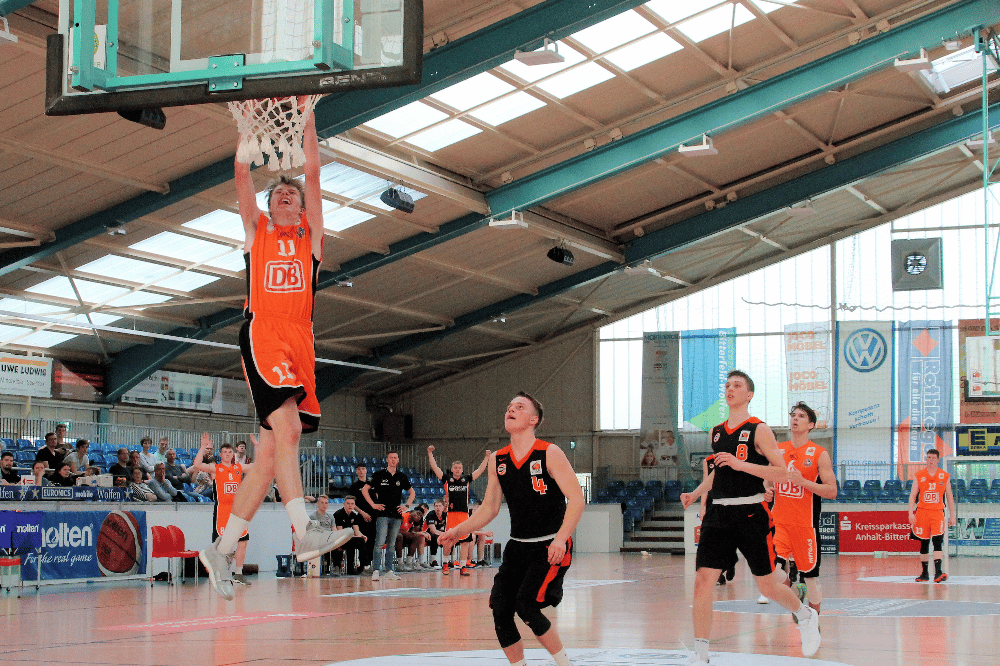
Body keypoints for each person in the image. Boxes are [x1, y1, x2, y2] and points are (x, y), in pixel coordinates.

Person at [199, 106, 353, 601]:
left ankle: (221, 550)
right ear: (270, 206)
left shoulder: (312, 238)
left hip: (301, 340)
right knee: (287, 429)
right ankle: (303, 527)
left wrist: (307, 118)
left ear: (303, 209)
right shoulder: (257, 232)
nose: (286, 195)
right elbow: (242, 176)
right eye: (278, 194)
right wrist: (244, 146)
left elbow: (312, 169)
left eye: (293, 195)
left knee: (267, 459)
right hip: (264, 332)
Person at [680, 370, 821, 665]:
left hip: (751, 511)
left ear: (749, 394)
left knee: (767, 584)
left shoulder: (760, 429)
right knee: (703, 580)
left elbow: (782, 471)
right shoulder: (716, 432)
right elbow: (721, 471)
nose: (731, 389)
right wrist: (695, 494)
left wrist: (741, 465)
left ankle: (804, 614)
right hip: (718, 512)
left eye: (737, 385)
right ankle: (701, 654)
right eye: (728, 385)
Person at [440, 392, 584, 666]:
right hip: (517, 546)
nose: (511, 410)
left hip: (549, 543)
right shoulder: (498, 459)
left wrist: (561, 540)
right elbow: (489, 508)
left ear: (534, 419)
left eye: (519, 407)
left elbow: (576, 499)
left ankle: (566, 664)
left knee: (526, 604)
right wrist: (459, 530)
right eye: (508, 407)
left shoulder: (549, 452)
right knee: (501, 608)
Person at [765, 402, 837, 613]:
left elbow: (832, 491)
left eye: (801, 416)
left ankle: (813, 619)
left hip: (805, 526)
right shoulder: (778, 451)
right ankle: (795, 595)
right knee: (770, 571)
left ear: (811, 424)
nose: (795, 419)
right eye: (793, 415)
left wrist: (803, 482)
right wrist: (767, 490)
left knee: (811, 579)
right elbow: (768, 480)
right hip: (779, 523)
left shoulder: (819, 453)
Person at [193, 436, 263, 586]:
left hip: (238, 511)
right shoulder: (216, 468)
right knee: (222, 545)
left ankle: (238, 574)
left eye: (229, 452)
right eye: (224, 452)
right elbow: (197, 464)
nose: (227, 454)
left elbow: (259, 465)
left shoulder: (238, 467)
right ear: (221, 454)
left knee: (243, 541)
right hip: (222, 511)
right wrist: (202, 447)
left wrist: (256, 445)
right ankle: (220, 573)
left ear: (233, 454)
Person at [427, 444, 490, 575]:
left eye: (459, 468)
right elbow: (435, 467)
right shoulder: (447, 480)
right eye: (455, 467)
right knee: (449, 540)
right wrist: (430, 453)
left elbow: (480, 470)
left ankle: (463, 567)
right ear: (452, 469)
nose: (457, 469)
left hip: (464, 515)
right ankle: (445, 564)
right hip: (451, 515)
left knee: (465, 542)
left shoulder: (466, 479)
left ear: (462, 470)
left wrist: (487, 457)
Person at [362, 451, 415, 581]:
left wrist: (406, 506)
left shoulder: (401, 476)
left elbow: (412, 492)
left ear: (398, 460)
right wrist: (373, 505)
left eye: (395, 458)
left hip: (396, 515)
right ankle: (376, 570)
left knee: (391, 544)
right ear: (387, 460)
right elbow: (365, 490)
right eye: (391, 458)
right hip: (382, 514)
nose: (393, 460)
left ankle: (389, 571)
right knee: (379, 542)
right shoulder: (379, 475)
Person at [909, 448, 956, 583]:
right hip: (922, 513)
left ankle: (938, 572)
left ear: (938, 460)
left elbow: (950, 497)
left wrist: (952, 516)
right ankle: (924, 574)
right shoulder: (919, 475)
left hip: (937, 513)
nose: (930, 460)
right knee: (924, 543)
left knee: (937, 542)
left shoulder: (944, 476)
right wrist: (910, 513)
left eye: (933, 458)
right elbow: (912, 496)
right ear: (926, 459)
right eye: (928, 458)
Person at [348, 464, 377, 571]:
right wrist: (362, 513)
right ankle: (362, 565)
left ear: (366, 470)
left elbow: (377, 499)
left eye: (363, 469)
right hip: (361, 517)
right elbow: (352, 503)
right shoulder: (354, 486)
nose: (361, 471)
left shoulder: (372, 485)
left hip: (373, 516)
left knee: (372, 541)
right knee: (363, 540)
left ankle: (370, 565)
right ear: (356, 472)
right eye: (359, 469)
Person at [333, 496, 367, 574]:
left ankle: (361, 567)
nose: (350, 505)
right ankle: (364, 565)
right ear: (344, 504)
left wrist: (362, 535)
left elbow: (357, 531)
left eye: (352, 504)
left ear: (354, 506)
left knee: (362, 540)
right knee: (354, 542)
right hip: (339, 539)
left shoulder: (354, 515)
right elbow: (340, 532)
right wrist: (354, 537)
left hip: (349, 539)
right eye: (348, 503)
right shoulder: (338, 514)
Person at [425, 499, 448, 567]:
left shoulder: (446, 515)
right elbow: (433, 531)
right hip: (428, 535)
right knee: (434, 537)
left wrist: (446, 534)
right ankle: (433, 561)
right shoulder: (431, 514)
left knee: (450, 537)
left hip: (441, 535)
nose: (438, 508)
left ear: (443, 507)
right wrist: (445, 534)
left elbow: (449, 528)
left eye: (440, 506)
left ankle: (449, 561)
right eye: (436, 506)